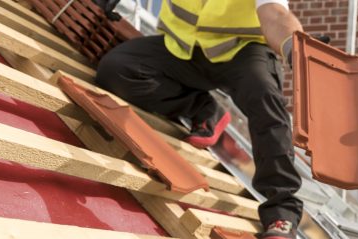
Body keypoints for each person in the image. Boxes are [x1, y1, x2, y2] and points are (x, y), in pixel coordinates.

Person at [94, 0, 304, 238]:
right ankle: (203, 110)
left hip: (240, 51)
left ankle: (282, 213)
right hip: (184, 50)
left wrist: (294, 48)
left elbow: (275, 14)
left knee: (263, 94)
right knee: (117, 69)